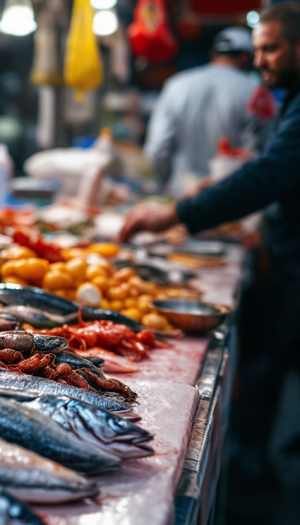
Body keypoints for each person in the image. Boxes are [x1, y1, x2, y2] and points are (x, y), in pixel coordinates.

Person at [121, 5, 300, 522]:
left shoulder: (183, 86)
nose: (262, 60)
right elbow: (264, 163)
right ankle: (259, 456)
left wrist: (176, 208)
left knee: (273, 356)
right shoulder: (262, 94)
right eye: (257, 50)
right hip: (247, 223)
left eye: (271, 48)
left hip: (264, 240)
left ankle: (256, 464)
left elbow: (274, 170)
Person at [144, 26, 267, 197]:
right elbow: (256, 153)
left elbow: (158, 147)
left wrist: (169, 182)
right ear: (245, 57)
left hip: (181, 195)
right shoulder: (255, 91)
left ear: (213, 54)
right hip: (229, 197)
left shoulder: (176, 84)